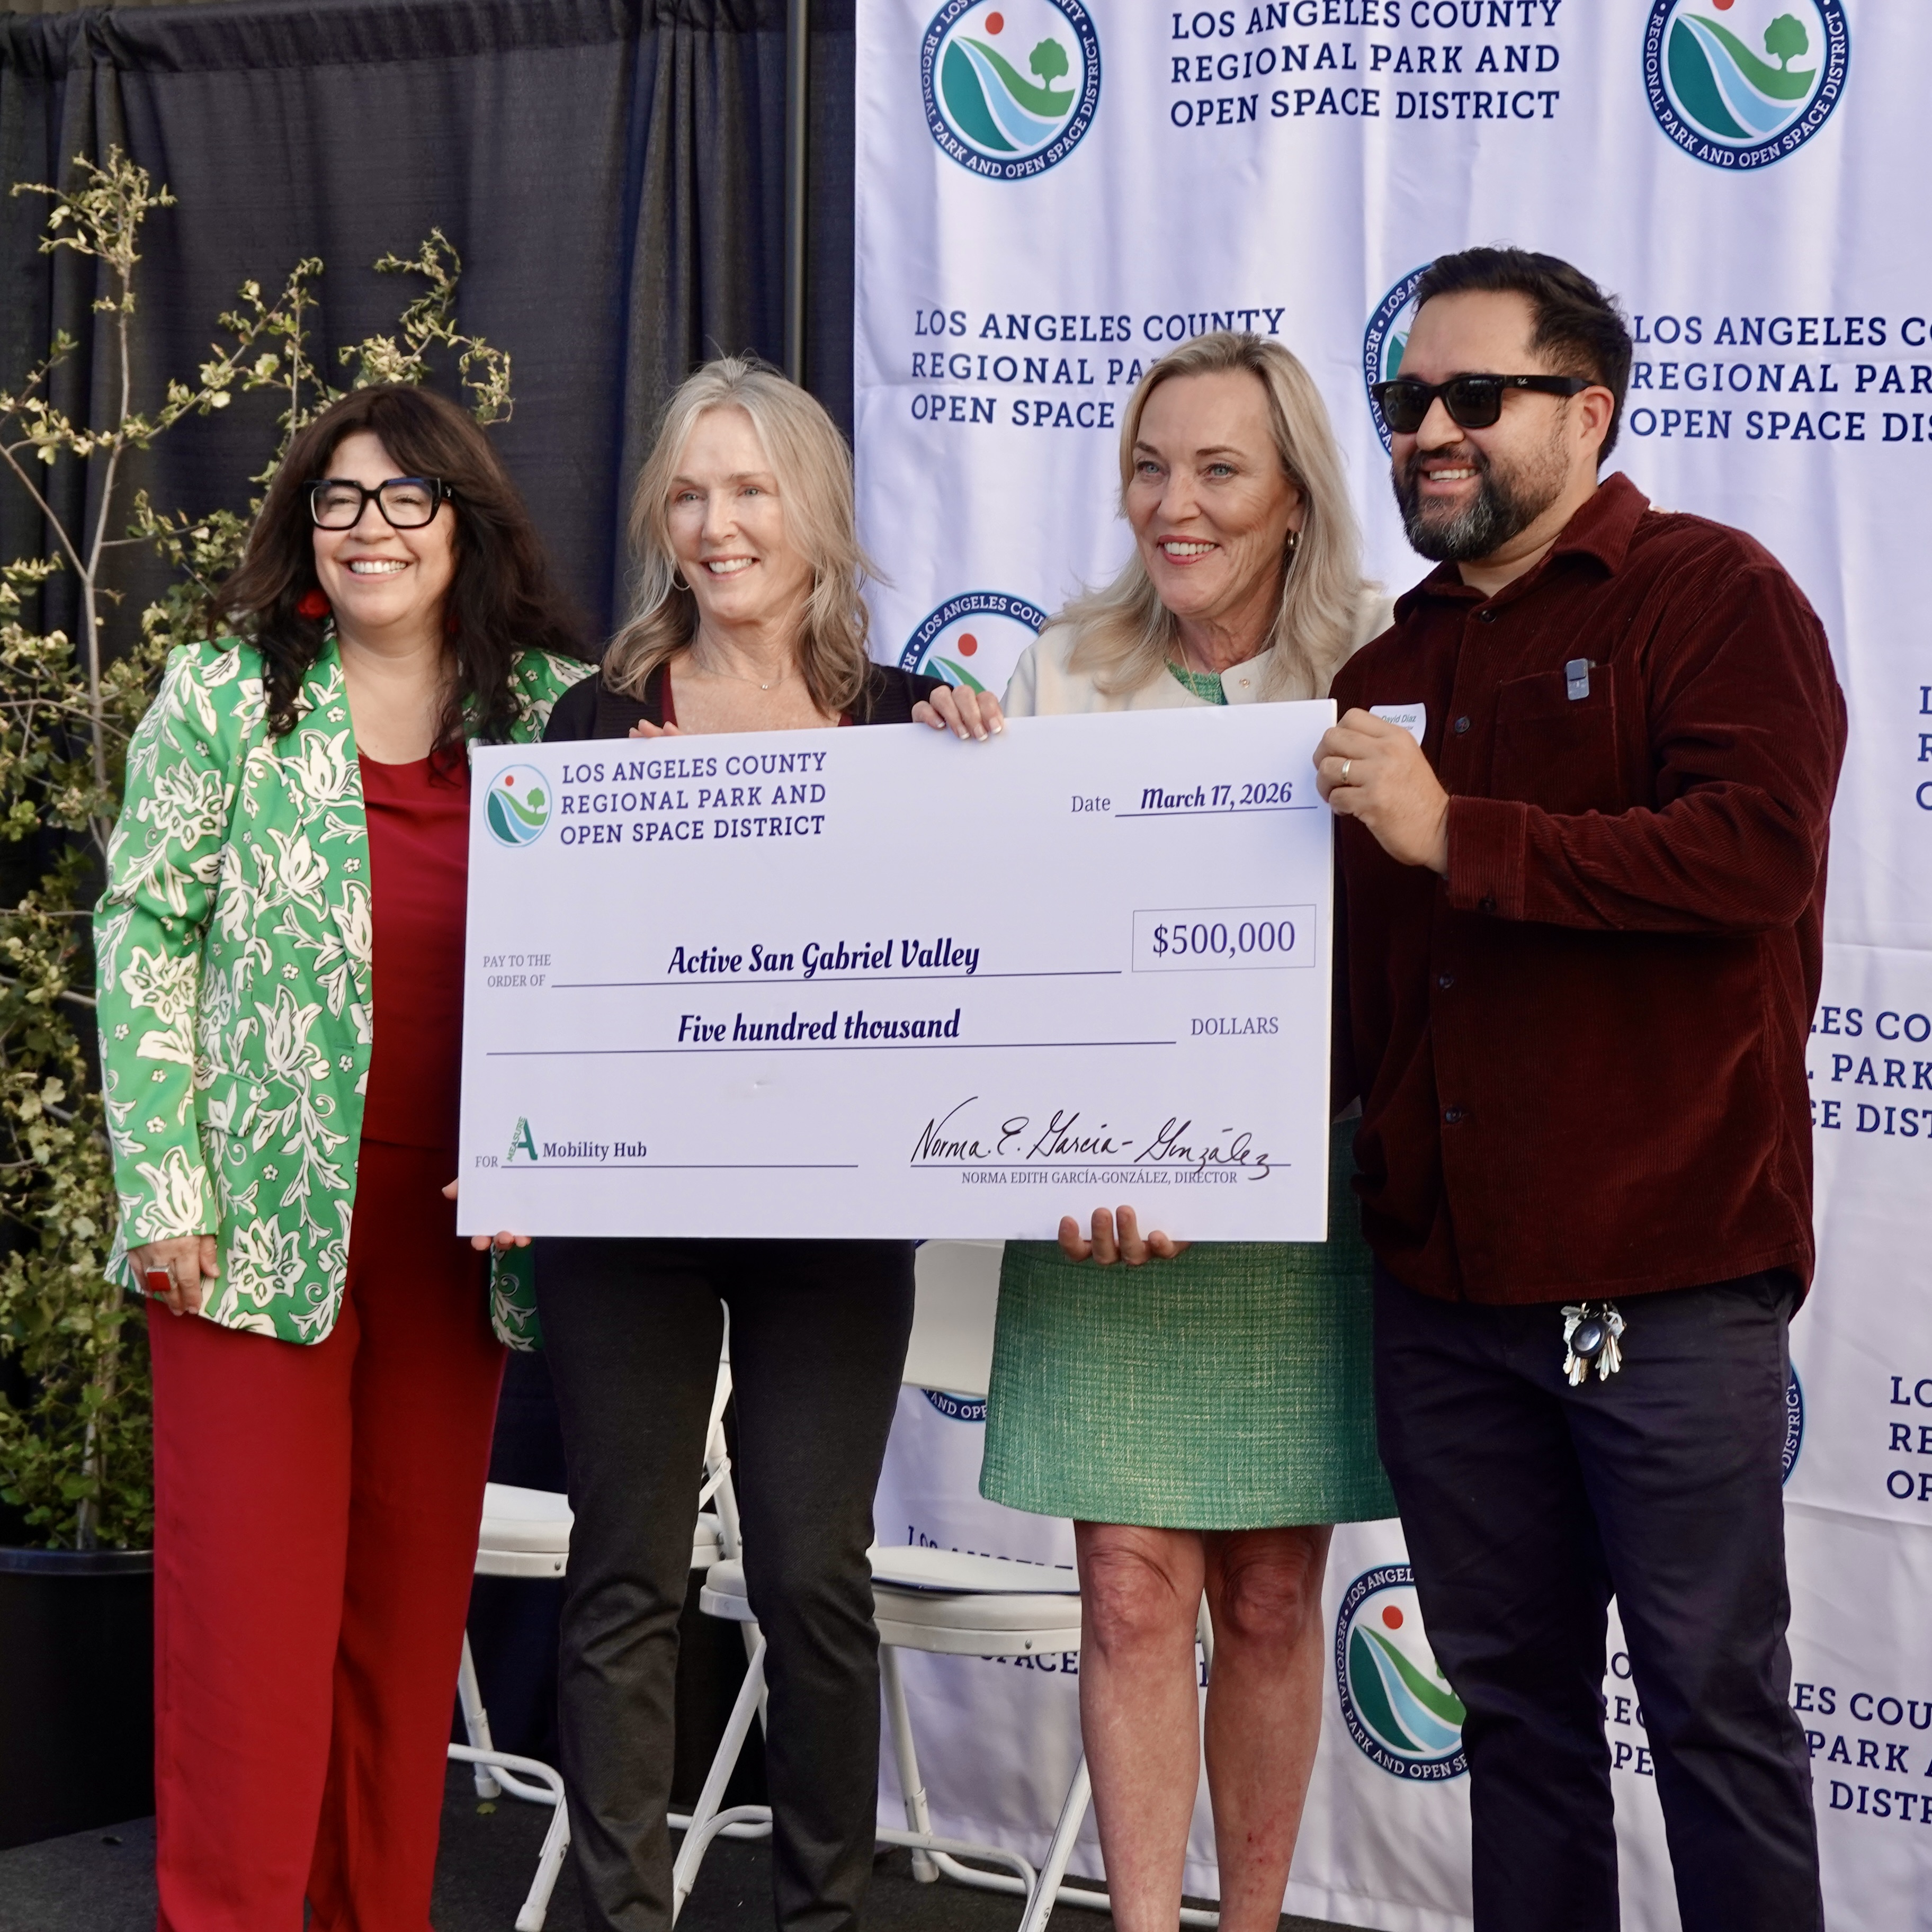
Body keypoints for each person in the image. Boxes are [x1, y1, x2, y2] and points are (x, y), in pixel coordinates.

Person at [1315, 247, 1842, 1932]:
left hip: (1665, 1281)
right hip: (1446, 1295)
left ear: (1590, 412)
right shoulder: (1381, 671)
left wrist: (1456, 832)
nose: (1431, 432)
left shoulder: (1714, 597)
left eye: (1477, 396)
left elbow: (1752, 856)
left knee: (1713, 1716)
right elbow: (1352, 996)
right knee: (1521, 1728)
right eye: (1408, 400)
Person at [95, 383, 588, 1929]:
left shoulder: (559, 709)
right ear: (306, 526)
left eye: (404, 498)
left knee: (401, 1624)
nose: (370, 528)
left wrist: (930, 713)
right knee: (247, 1627)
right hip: (245, 1227)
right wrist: (165, 1189)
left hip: (462, 1236)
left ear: (465, 522)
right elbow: (144, 932)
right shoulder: (228, 692)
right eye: (339, 499)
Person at [929, 332, 1397, 1932]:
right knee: (1127, 1595)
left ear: (1294, 498)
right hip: (1099, 1207)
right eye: (1149, 467)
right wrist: (948, 777)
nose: (1173, 504)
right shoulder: (1058, 671)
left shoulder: (1389, 660)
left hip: (1302, 1201)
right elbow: (995, 941)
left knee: (1270, 1598)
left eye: (1217, 470)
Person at [531, 355, 947, 1932]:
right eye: (691, 494)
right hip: (626, 1215)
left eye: (752, 489)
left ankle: (821, 1916)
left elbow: (970, 952)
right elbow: (544, 976)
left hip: (833, 1223)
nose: (719, 525)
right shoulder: (593, 722)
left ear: (815, 507)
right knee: (625, 1572)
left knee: (813, 1577)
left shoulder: (912, 721)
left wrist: (984, 780)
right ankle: (624, 1917)